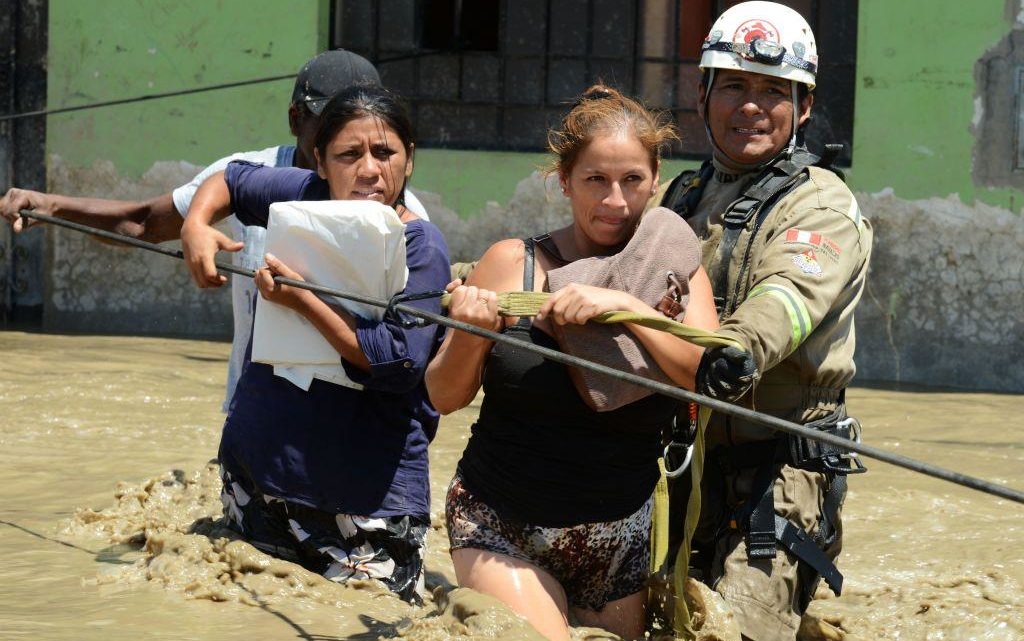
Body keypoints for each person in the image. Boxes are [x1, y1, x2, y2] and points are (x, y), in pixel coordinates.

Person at [424, 85, 746, 641]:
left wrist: (629, 309)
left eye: (632, 182)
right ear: (563, 181)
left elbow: (707, 377)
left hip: (620, 534)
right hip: (501, 523)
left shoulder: (675, 271)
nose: (615, 202)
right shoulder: (511, 265)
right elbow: (441, 398)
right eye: (596, 180)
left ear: (655, 181)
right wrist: (470, 337)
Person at [0, 49, 428, 411]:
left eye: (370, 136)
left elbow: (407, 353)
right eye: (332, 125)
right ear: (297, 120)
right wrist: (52, 205)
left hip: (354, 421)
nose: (357, 152)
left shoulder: (404, 220)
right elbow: (143, 223)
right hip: (257, 412)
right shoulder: (251, 178)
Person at [178, 84, 450, 601]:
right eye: (349, 154)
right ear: (320, 162)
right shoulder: (301, 194)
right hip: (257, 471)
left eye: (385, 152)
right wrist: (196, 223)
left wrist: (303, 302)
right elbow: (231, 179)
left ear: (409, 160)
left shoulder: (420, 244)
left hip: (362, 498)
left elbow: (397, 363)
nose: (369, 169)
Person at [659, 3, 873, 640]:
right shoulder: (681, 197)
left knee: (735, 633)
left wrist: (740, 348)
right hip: (683, 459)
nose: (751, 106)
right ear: (703, 95)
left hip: (781, 471)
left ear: (803, 107)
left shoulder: (823, 204)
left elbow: (791, 296)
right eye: (734, 86)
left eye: (773, 91)